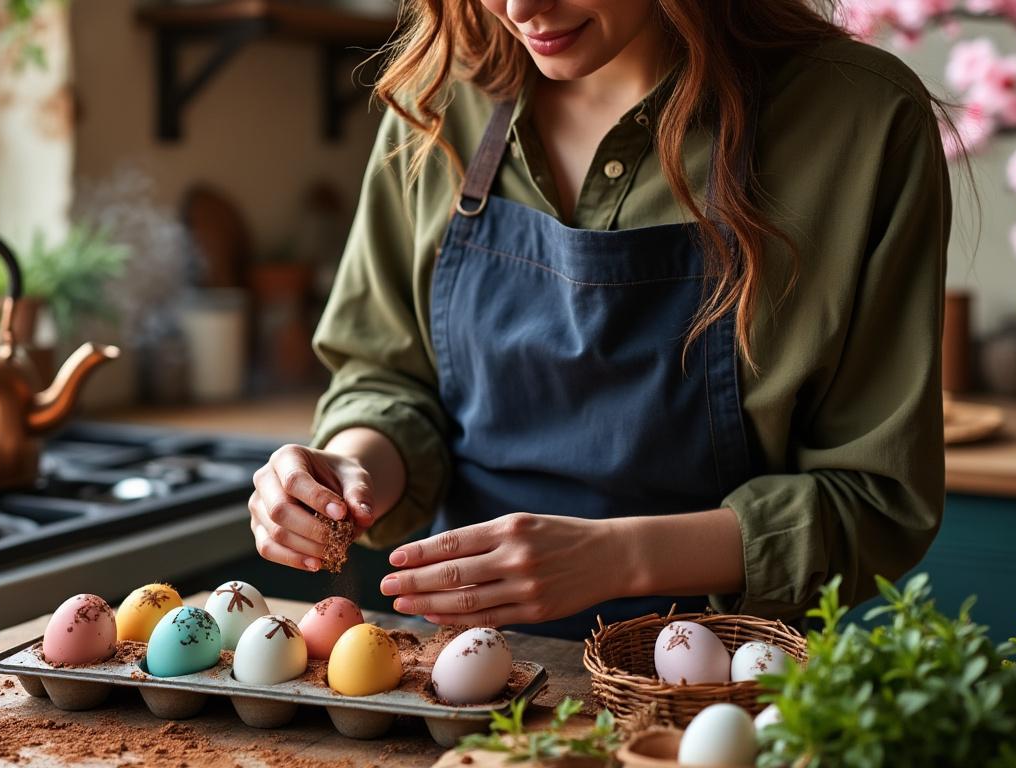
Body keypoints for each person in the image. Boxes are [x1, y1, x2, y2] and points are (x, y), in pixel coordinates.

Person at [248, 0, 951, 639]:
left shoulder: (860, 121)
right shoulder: (436, 98)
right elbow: (388, 377)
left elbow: (875, 501)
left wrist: (617, 559)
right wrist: (350, 468)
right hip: (464, 680)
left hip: (725, 689)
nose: (521, 9)